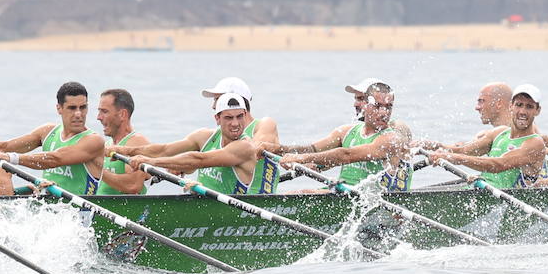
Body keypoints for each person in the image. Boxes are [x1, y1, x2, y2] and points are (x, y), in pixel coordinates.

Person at [115, 81, 281, 195]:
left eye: (217, 98)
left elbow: (198, 159)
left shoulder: (246, 143)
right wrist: (122, 150)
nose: (213, 104)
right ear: (218, 117)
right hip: (209, 206)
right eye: (228, 117)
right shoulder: (206, 135)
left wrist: (151, 162)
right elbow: (164, 149)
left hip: (244, 210)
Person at [0, 81, 105, 195]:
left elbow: (55, 159)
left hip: (80, 214)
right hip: (49, 209)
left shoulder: (93, 140)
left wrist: (10, 158)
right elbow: (7, 146)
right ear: (59, 108)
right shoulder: (47, 131)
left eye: (83, 107)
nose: (78, 114)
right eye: (72, 108)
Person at [280, 82, 414, 191]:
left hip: (368, 201)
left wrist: (301, 158)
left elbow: (346, 155)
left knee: (303, 193)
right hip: (344, 193)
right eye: (378, 106)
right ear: (365, 105)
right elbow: (316, 150)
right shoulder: (349, 131)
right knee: (296, 193)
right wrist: (315, 165)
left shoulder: (390, 139)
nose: (384, 112)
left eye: (388, 107)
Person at [424, 84, 546, 188]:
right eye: (519, 105)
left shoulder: (535, 143)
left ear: (538, 111)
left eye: (529, 107)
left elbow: (498, 164)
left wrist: (453, 157)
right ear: (510, 106)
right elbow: (464, 151)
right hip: (483, 192)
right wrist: (434, 147)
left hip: (504, 202)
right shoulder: (499, 133)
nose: (523, 112)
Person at [415, 81, 512, 152]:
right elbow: (463, 149)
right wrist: (433, 146)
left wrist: (438, 147)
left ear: (498, 104)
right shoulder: (484, 136)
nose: (477, 108)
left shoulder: (522, 132)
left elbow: (463, 152)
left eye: (481, 101)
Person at [96, 88, 150, 195]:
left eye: (104, 111)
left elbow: (133, 185)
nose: (99, 117)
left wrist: (96, 168)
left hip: (128, 211)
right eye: (99, 111)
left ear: (122, 114)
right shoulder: (107, 145)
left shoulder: (137, 143)